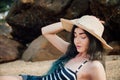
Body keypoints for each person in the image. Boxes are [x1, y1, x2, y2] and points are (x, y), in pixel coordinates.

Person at [0, 15, 113, 80]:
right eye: (75, 35)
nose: (77, 41)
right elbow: (46, 32)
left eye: (82, 37)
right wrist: (74, 22)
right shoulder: (72, 51)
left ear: (93, 41)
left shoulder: (94, 66)